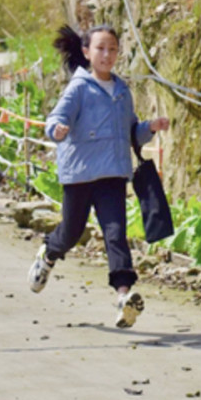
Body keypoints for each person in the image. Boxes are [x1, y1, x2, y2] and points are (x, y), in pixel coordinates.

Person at [28, 24, 170, 329]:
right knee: (71, 232)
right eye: (100, 48)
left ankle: (124, 296)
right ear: (86, 52)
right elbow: (55, 119)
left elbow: (131, 132)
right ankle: (49, 254)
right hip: (79, 174)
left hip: (112, 175)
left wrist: (151, 127)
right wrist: (57, 130)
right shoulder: (79, 88)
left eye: (112, 49)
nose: (107, 55)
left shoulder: (122, 91)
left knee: (116, 234)